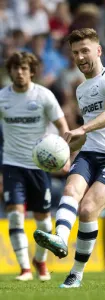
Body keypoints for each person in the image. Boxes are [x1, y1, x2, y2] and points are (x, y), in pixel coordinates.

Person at [33, 28, 105, 288]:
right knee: (71, 188)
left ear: (98, 50)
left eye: (85, 50)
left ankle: (76, 274)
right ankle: (60, 239)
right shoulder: (81, 89)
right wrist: (63, 148)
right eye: (75, 52)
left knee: (88, 209)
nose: (80, 57)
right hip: (89, 153)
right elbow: (86, 133)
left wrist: (81, 129)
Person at [0, 51, 69, 281]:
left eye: (24, 68)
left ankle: (39, 260)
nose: (19, 72)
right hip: (12, 165)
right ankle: (25, 269)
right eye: (15, 68)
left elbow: (63, 126)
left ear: (32, 71)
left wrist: (66, 156)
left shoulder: (44, 96)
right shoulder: (2, 98)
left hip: (39, 166)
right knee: (15, 216)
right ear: (10, 71)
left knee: (43, 221)